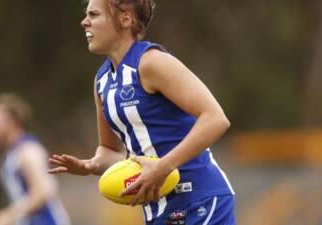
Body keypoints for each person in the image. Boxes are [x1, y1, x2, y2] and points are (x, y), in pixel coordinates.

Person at [48, 0, 236, 224]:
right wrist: (93, 165)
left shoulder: (151, 62)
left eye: (94, 15)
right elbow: (111, 151)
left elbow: (215, 119)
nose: (84, 22)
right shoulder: (102, 81)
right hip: (158, 211)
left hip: (200, 201)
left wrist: (163, 166)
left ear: (125, 19)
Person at [0, 93, 71, 225]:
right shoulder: (10, 154)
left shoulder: (28, 150)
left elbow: (44, 191)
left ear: (12, 121)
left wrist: (8, 215)